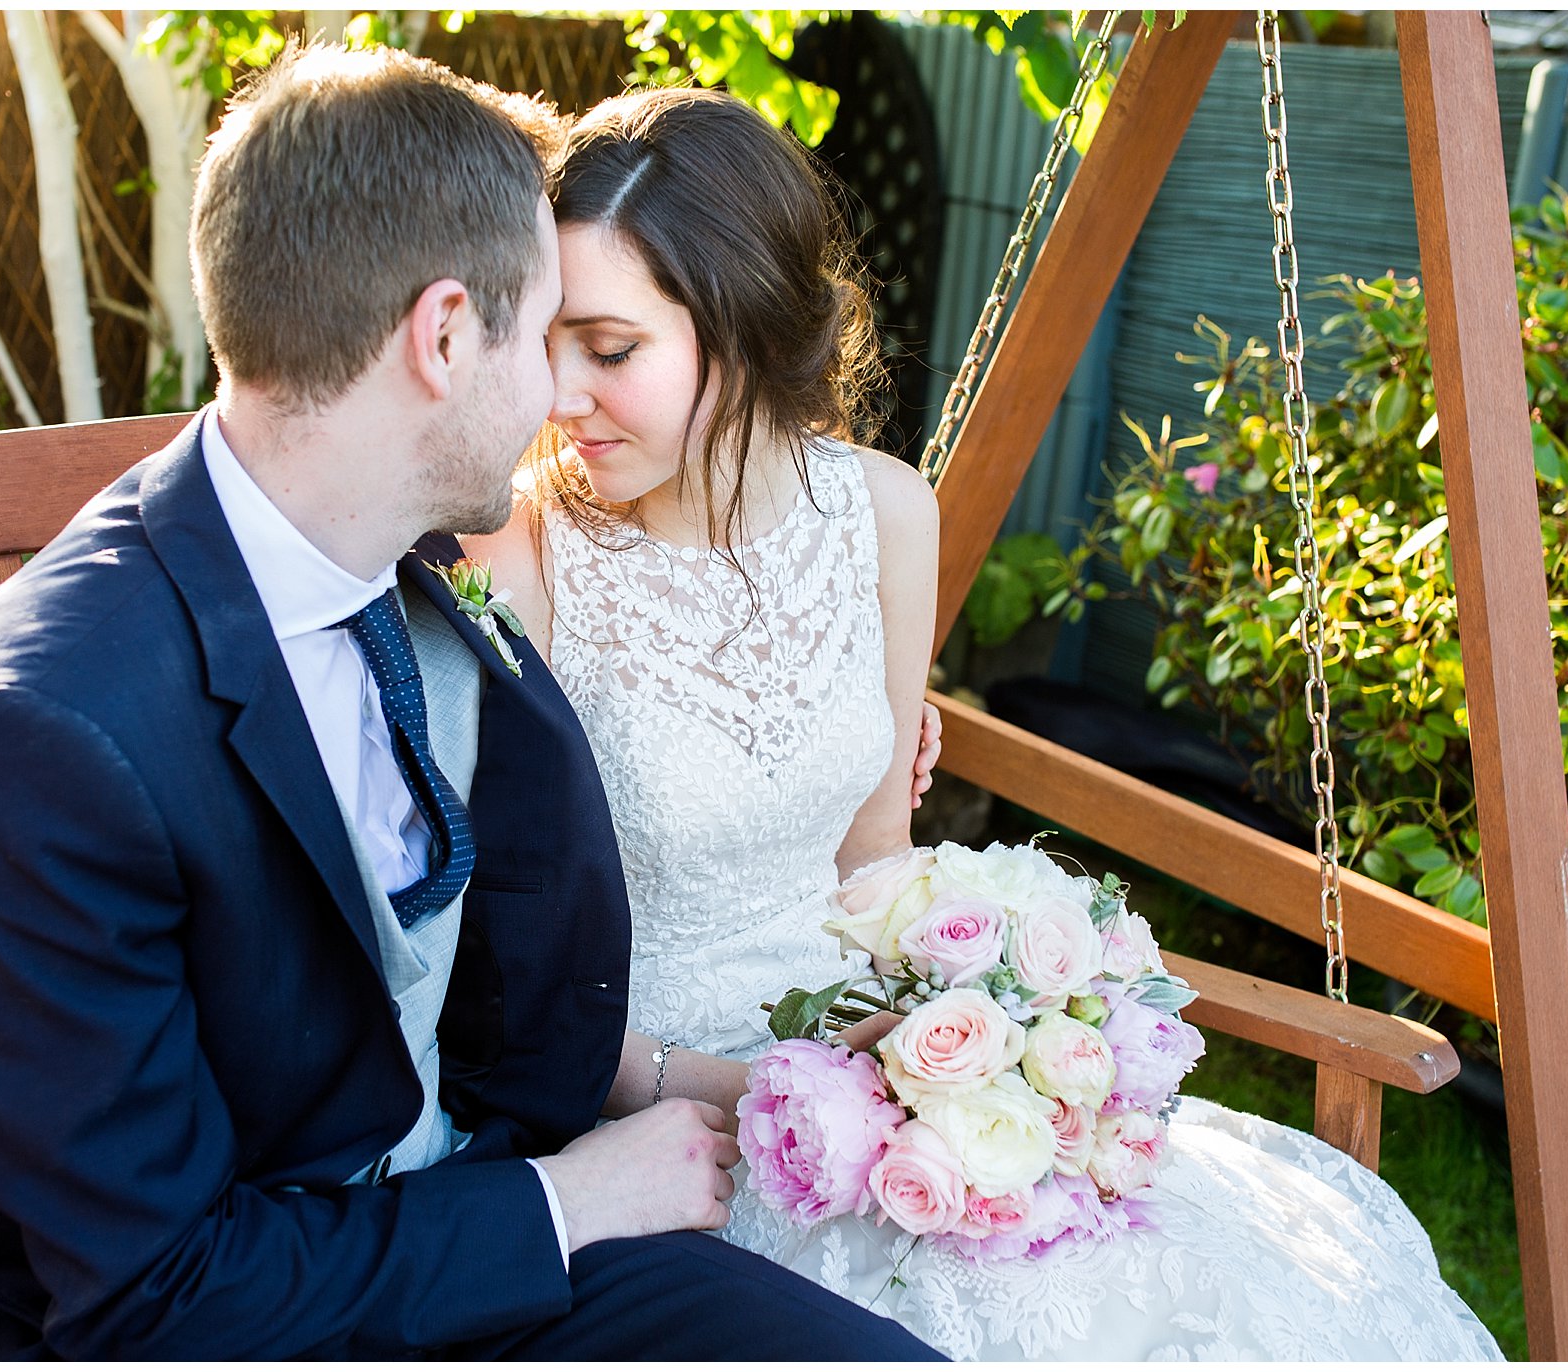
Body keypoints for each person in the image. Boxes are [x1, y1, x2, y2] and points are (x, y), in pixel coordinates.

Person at [0, 47, 943, 1361]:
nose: (558, 404)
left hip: (461, 1223)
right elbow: (155, 1300)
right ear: (445, 337)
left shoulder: (400, 555)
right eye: (543, 333)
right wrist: (563, 1201)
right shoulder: (39, 741)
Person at [461, 85, 1505, 1362]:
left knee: (1181, 1293)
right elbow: (491, 961)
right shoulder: (523, 555)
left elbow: (872, 860)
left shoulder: (884, 515)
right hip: (659, 1105)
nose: (558, 393)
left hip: (869, 1054)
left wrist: (975, 1033)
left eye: (609, 349)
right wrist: (742, 1091)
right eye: (549, 339)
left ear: (734, 326)